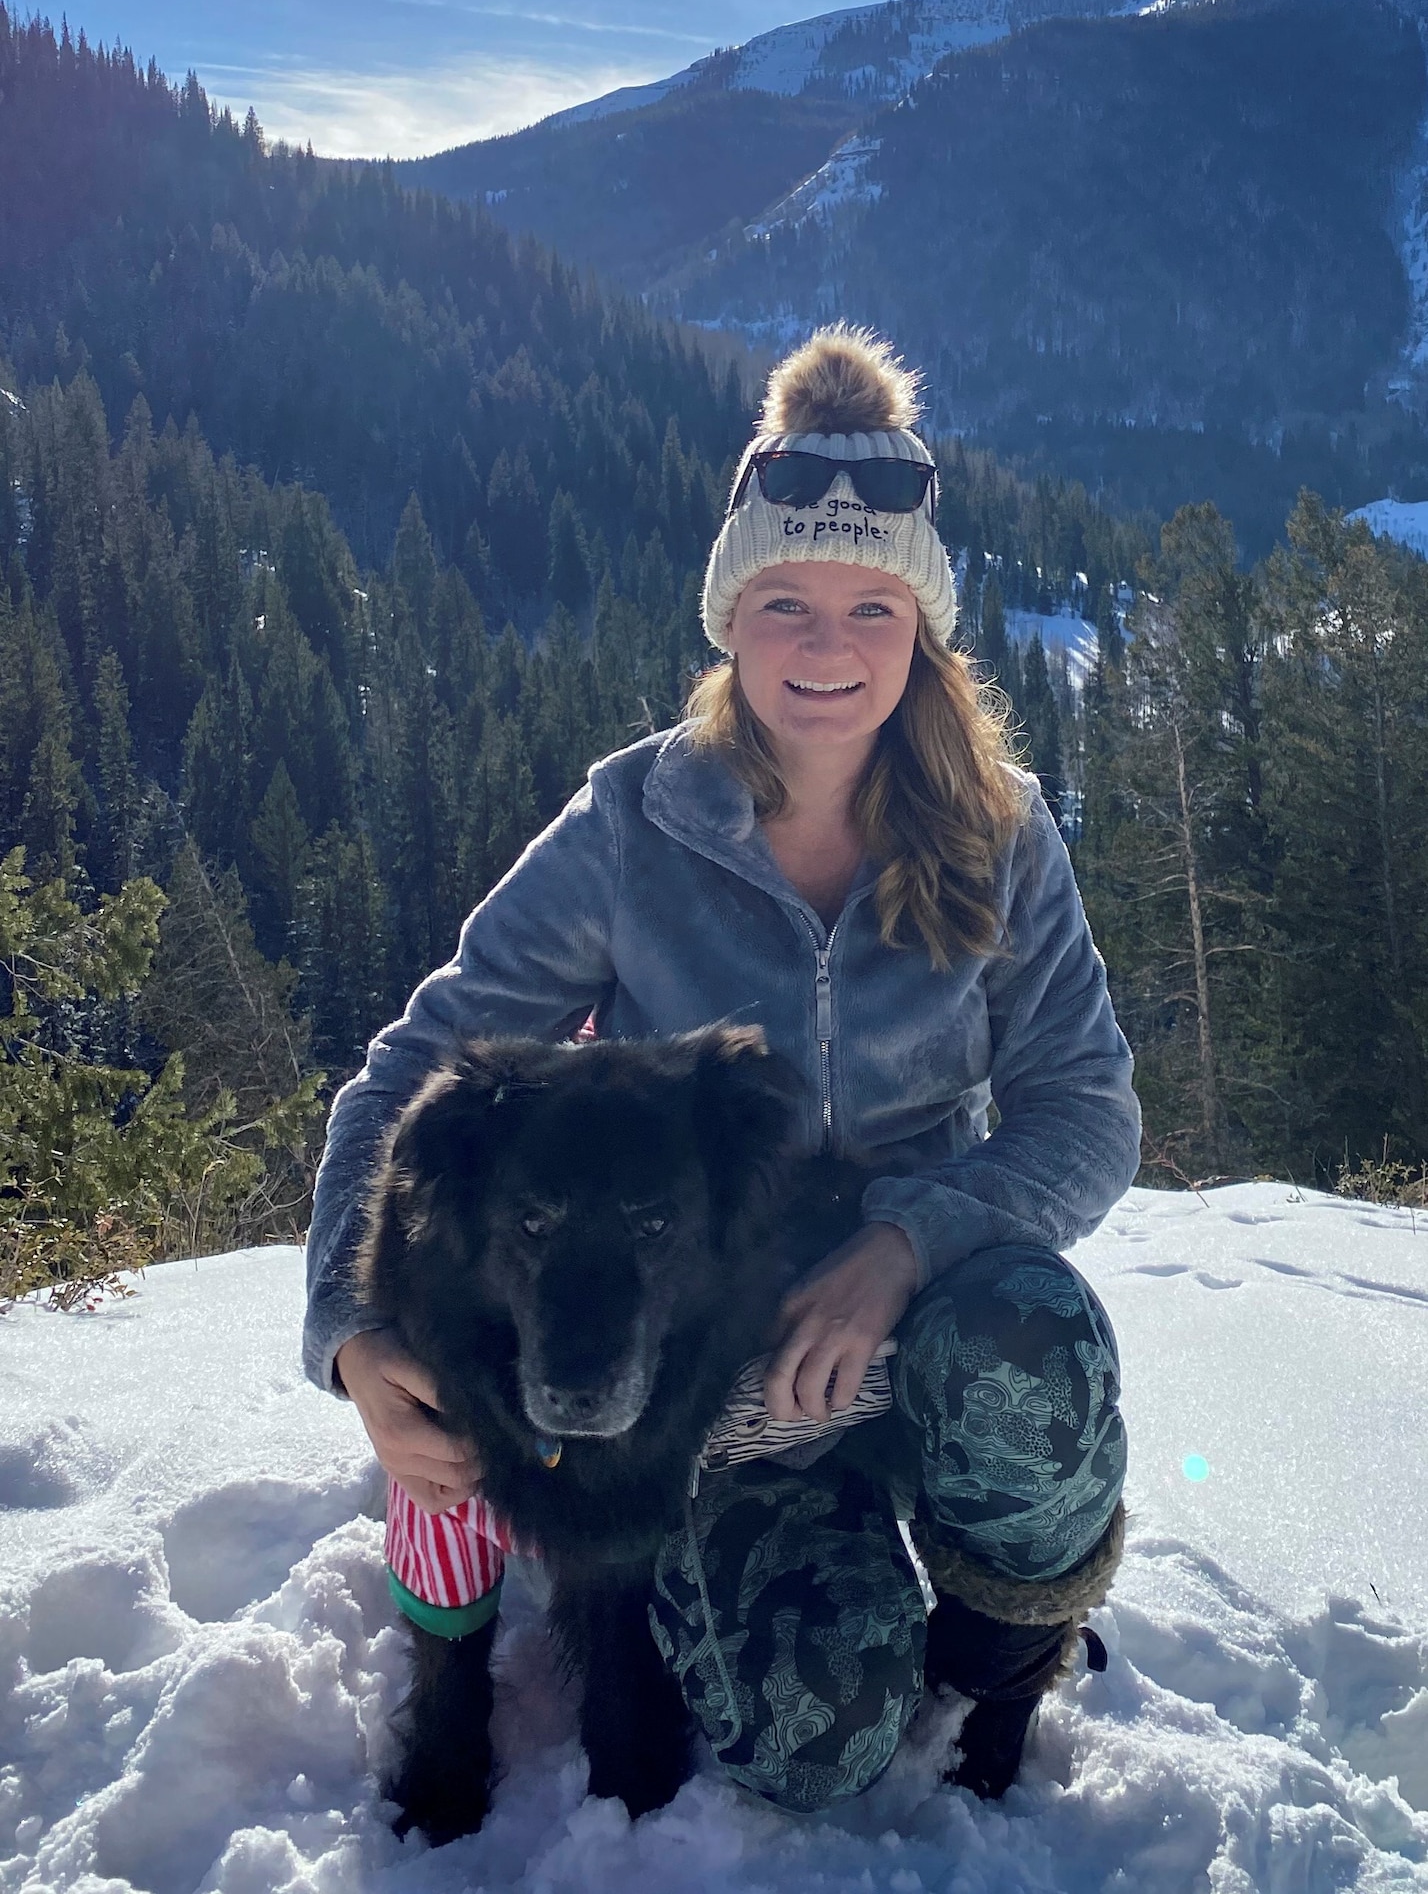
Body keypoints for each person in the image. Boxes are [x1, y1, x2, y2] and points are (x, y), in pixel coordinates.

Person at [303, 324, 1141, 1813]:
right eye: (787, 603)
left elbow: (1089, 1113)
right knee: (806, 1740)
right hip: (703, 1368)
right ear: (730, 617)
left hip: (926, 1312)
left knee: (1036, 1358)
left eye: (872, 607)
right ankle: (830, 1594)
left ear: (923, 628)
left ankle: (999, 1672)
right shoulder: (635, 824)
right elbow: (419, 1067)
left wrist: (905, 1242)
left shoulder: (998, 831)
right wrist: (353, 1332)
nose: (827, 649)